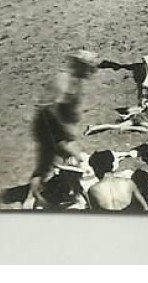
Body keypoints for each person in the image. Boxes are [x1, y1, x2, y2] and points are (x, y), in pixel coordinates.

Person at [27, 50, 99, 204]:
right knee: (66, 160)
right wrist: (65, 129)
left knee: (61, 161)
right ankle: (33, 198)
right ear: (81, 67)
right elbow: (51, 109)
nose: (91, 72)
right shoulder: (64, 81)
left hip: (57, 130)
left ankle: (72, 191)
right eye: (89, 68)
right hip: (49, 129)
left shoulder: (74, 80)